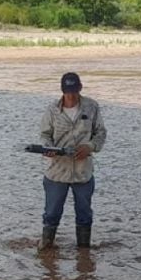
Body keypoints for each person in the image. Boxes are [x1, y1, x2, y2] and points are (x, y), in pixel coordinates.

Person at [38, 72, 107, 251]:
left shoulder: (92, 107)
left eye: (75, 91)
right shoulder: (51, 109)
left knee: (84, 215)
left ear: (80, 88)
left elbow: (100, 133)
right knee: (51, 214)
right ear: (62, 91)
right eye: (68, 92)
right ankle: (46, 248)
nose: (72, 96)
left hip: (83, 173)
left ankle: (84, 255)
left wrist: (90, 147)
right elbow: (45, 135)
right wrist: (48, 149)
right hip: (56, 173)